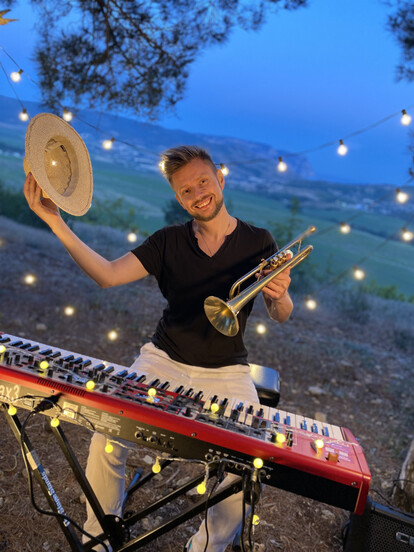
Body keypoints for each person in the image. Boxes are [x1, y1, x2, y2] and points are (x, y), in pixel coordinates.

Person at [24, 145, 293, 552]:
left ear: (219, 180)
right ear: (179, 199)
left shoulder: (260, 241)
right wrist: (55, 221)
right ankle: (100, 539)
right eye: (186, 190)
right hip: (163, 359)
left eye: (203, 182)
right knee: (106, 435)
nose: (198, 194)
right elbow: (107, 275)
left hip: (228, 371)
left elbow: (281, 314)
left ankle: (206, 548)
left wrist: (280, 294)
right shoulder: (167, 241)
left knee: (246, 465)